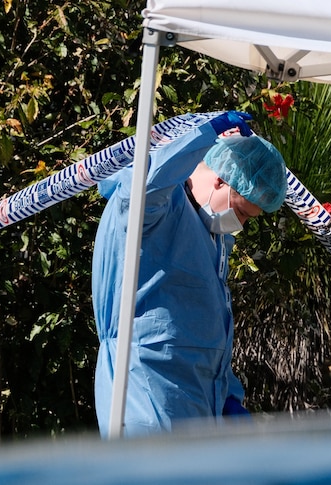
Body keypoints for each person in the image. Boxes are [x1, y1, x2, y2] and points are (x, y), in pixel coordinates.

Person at [91, 111, 288, 437]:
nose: (241, 224)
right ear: (221, 180)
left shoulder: (214, 238)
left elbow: (206, 338)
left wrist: (228, 399)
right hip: (145, 402)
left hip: (197, 414)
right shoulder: (155, 211)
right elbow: (148, 181)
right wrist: (202, 135)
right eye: (241, 211)